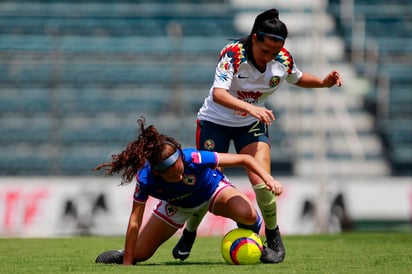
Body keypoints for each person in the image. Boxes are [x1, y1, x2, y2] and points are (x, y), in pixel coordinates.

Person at [174, 8, 343, 264]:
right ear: (254, 38)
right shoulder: (232, 53)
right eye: (265, 51)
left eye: (274, 53)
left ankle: (273, 234)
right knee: (205, 182)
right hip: (214, 122)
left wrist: (323, 82)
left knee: (263, 181)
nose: (268, 58)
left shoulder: (282, 59)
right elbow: (219, 93)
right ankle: (190, 231)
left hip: (250, 124)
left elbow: (296, 78)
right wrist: (252, 107)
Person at [93, 117, 283, 265]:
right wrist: (128, 262)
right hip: (177, 206)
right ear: (158, 174)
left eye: (180, 169)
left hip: (212, 191)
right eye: (173, 176)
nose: (180, 176)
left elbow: (245, 159)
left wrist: (269, 180)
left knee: (247, 215)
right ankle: (122, 253)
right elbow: (135, 220)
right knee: (140, 255)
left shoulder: (193, 158)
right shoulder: (146, 179)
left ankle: (255, 245)